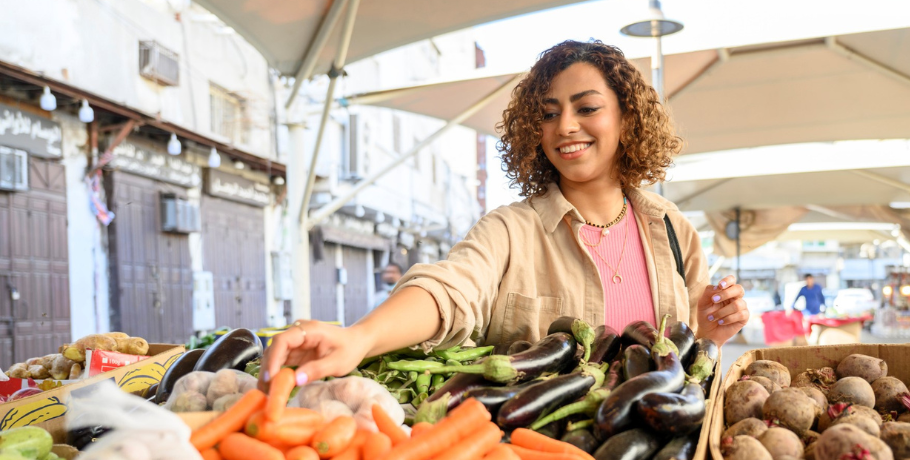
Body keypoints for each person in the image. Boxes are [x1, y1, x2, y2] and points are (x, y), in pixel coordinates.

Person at [261, 40, 750, 386]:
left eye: (586, 108)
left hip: (659, 459)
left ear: (627, 119)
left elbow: (690, 364)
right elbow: (448, 290)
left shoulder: (673, 231)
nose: (566, 126)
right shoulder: (510, 231)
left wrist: (711, 332)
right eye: (548, 112)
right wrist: (360, 337)